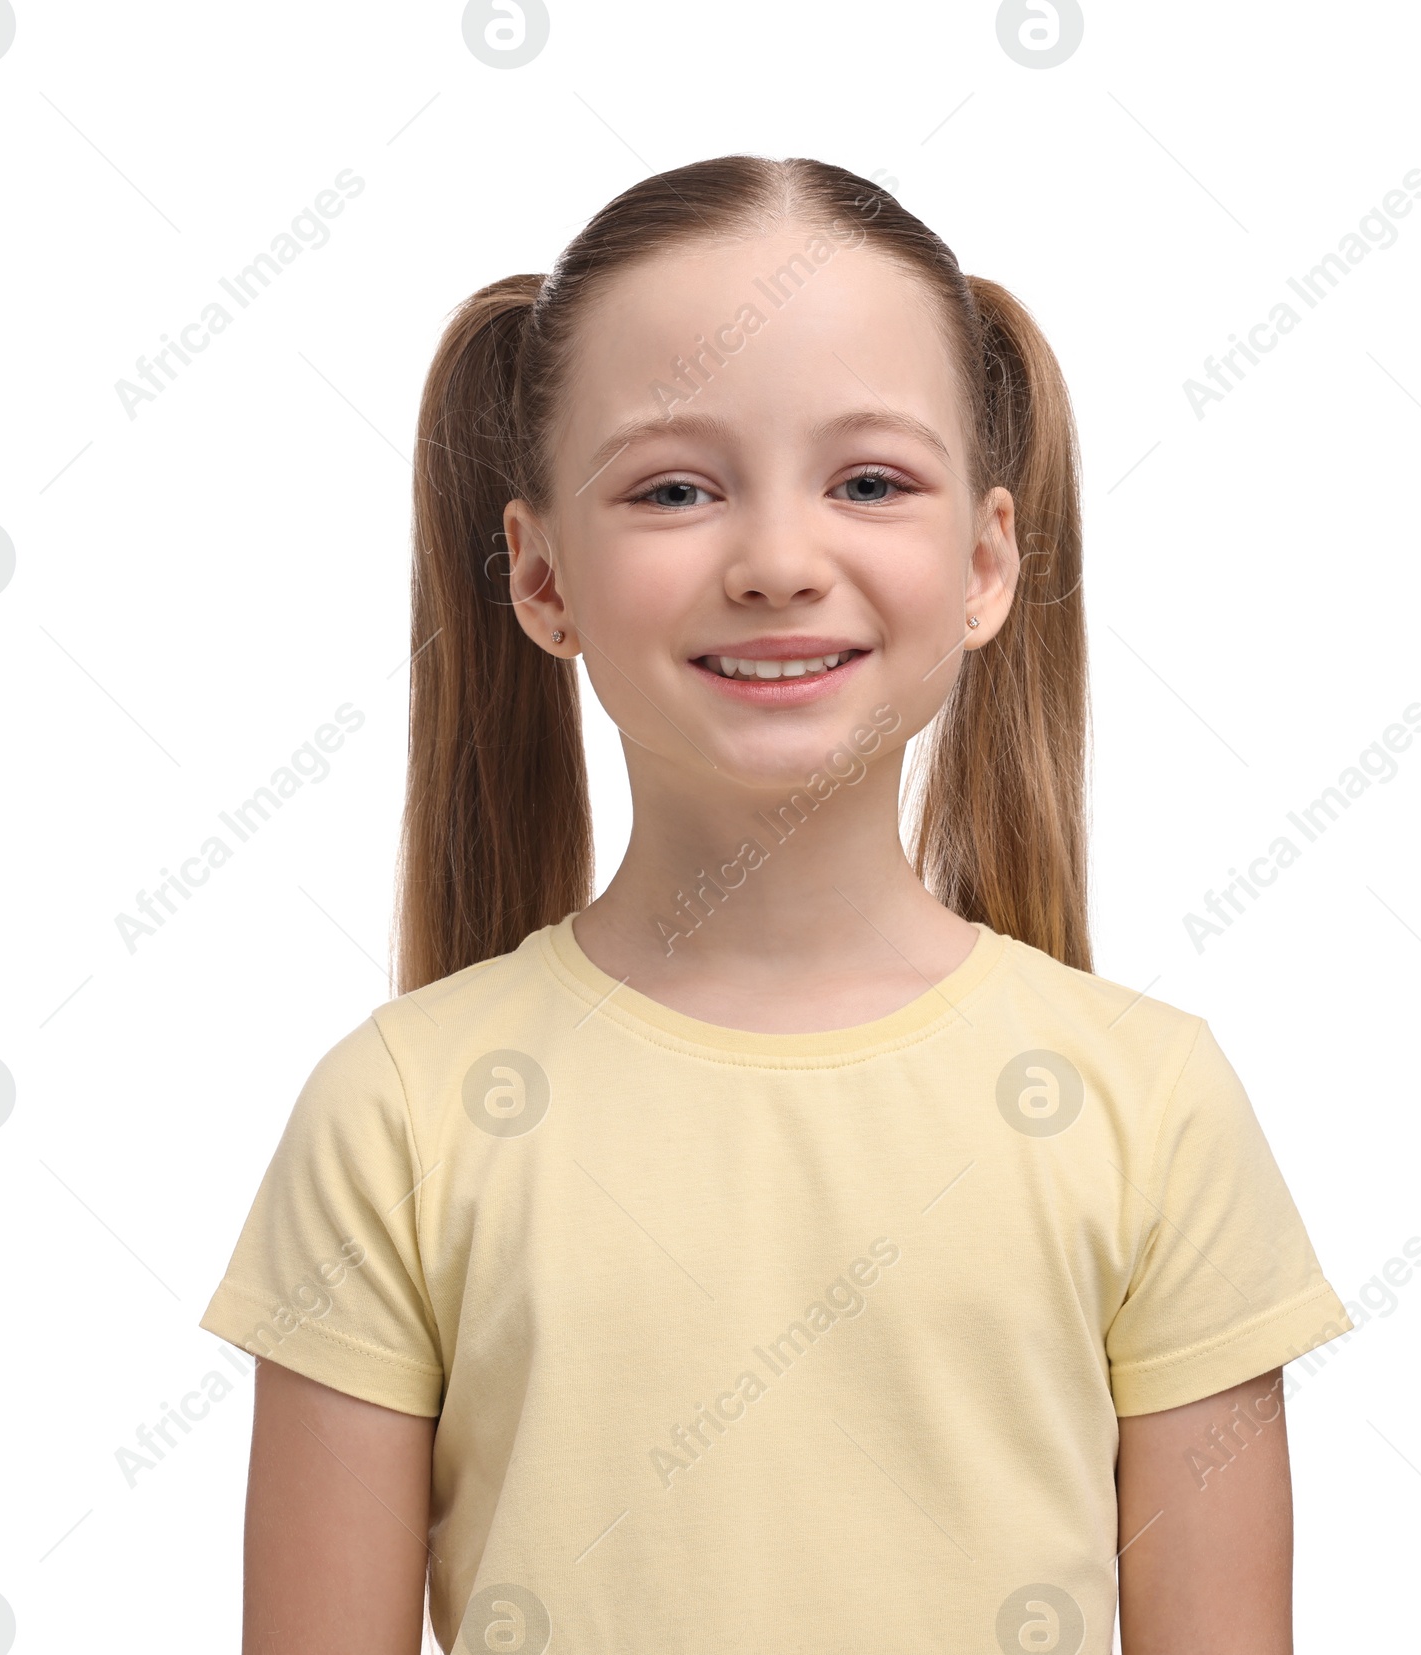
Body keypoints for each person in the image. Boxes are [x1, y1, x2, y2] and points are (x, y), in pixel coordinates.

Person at [200, 153, 1353, 1654]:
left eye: (869, 481)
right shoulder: (397, 1118)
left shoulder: (1156, 1106)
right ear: (541, 578)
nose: (779, 563)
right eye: (675, 488)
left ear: (987, 560)